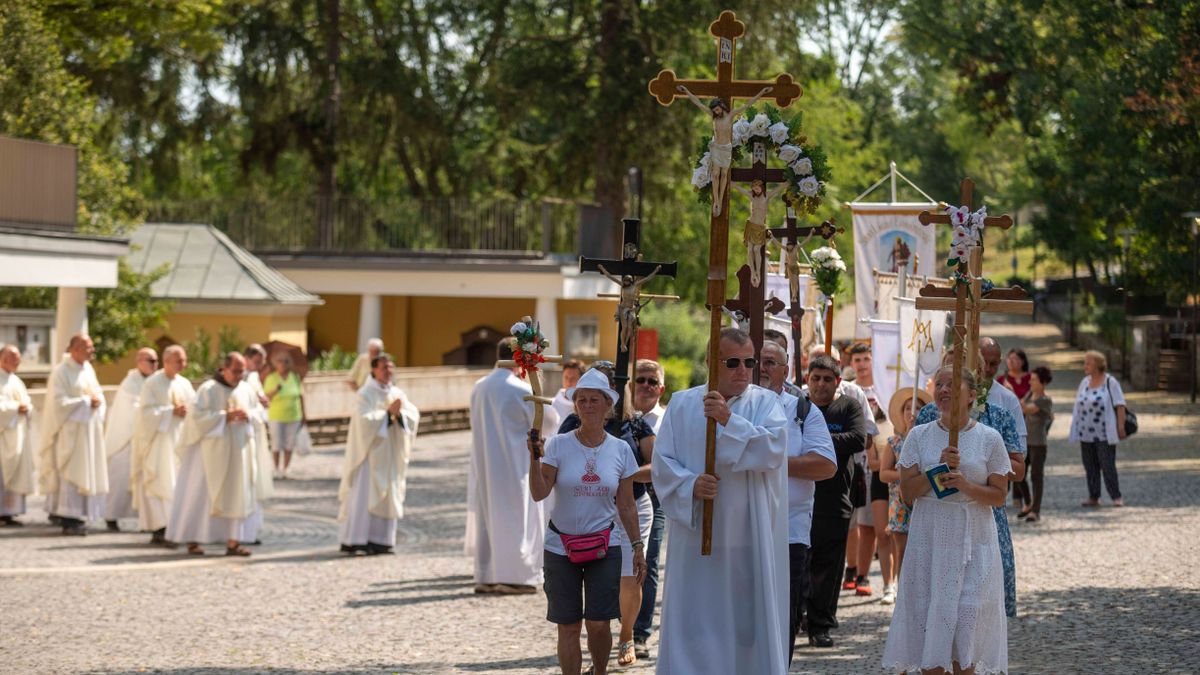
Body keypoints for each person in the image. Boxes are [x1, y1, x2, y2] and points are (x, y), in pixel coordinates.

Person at [652, 327, 789, 673]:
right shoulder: (682, 404)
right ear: (711, 361)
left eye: (749, 362)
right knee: (695, 616)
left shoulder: (766, 403)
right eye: (732, 362)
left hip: (746, 535)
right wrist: (690, 485)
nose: (743, 370)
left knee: (744, 620)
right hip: (698, 536)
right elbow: (662, 464)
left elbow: (772, 451)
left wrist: (729, 421)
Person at [882, 366, 1010, 675]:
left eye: (952, 385)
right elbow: (908, 494)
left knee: (967, 624)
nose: (944, 390)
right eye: (939, 384)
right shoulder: (919, 436)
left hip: (973, 538)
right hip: (930, 538)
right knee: (931, 621)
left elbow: (999, 495)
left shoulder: (989, 439)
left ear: (970, 395)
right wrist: (935, 470)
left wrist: (965, 484)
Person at [529, 368, 646, 675]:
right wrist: (534, 459)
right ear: (575, 405)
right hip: (560, 547)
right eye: (582, 400)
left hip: (603, 546)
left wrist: (637, 546)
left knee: (598, 623)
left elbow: (627, 505)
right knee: (568, 626)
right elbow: (540, 493)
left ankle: (599, 671)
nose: (589, 405)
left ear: (608, 405)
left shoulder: (620, 450)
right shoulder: (558, 445)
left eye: (595, 399)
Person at [556, 361, 655, 667]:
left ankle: (626, 635)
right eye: (584, 396)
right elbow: (555, 464)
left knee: (629, 577)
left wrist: (619, 474)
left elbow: (655, 468)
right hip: (590, 511)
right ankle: (597, 640)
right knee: (593, 582)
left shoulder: (636, 425)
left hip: (632, 505)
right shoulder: (572, 425)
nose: (590, 402)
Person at [914, 350, 1025, 618]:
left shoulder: (998, 415)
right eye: (945, 376)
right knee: (935, 596)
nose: (948, 387)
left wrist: (980, 469)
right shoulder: (928, 415)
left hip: (982, 513)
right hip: (937, 512)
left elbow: (1018, 470)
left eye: (961, 374)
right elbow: (913, 470)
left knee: (978, 599)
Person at [465, 338, 559, 594]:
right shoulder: (520, 389)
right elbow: (550, 422)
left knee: (489, 517)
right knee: (517, 516)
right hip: (515, 462)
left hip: (485, 462)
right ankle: (516, 575)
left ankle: (487, 574)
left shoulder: (479, 386)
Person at [166, 352, 271, 556]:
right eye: (236, 371)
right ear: (224, 368)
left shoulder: (247, 389)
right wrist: (225, 417)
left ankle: (233, 542)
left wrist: (249, 415)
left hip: (239, 453)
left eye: (242, 371)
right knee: (201, 496)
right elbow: (196, 418)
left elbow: (259, 413)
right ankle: (193, 539)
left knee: (237, 494)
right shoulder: (208, 390)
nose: (240, 375)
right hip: (209, 455)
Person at [772, 350, 837, 663]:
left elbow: (825, 464)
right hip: (738, 531)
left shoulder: (801, 409)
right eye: (755, 360)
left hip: (789, 530)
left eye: (771, 362)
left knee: (785, 611)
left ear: (785, 369)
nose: (761, 368)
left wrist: (771, 463)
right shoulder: (728, 406)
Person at [804, 355, 868, 649]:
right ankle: (795, 618)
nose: (820, 384)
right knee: (800, 562)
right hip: (799, 497)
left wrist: (814, 441)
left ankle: (820, 623)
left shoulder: (849, 406)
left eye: (827, 379)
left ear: (837, 382)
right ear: (807, 379)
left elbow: (857, 438)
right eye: (816, 378)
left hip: (836, 498)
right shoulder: (798, 406)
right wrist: (828, 440)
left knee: (830, 566)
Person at [338, 355, 420, 555]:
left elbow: (413, 416)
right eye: (384, 368)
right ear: (373, 370)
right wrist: (387, 416)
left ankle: (382, 540)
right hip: (370, 456)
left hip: (390, 454)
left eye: (391, 368)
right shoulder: (365, 393)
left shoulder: (398, 393)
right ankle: (357, 539)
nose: (388, 371)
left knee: (388, 495)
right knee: (364, 496)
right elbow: (362, 421)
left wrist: (399, 415)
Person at [40, 334, 108, 536]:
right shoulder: (61, 372)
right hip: (69, 433)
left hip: (86, 431)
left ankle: (78, 515)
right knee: (69, 473)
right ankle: (68, 519)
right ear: (75, 349)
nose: (92, 351)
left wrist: (96, 402)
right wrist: (87, 402)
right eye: (88, 347)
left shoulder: (88, 370)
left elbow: (98, 394)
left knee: (83, 471)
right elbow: (58, 403)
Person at [132, 345, 195, 545]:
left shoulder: (184, 384)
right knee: (161, 481)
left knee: (178, 483)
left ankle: (177, 525)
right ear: (167, 361)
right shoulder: (152, 383)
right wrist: (170, 412)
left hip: (179, 440)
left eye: (184, 360)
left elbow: (195, 407)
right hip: (159, 443)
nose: (183, 364)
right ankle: (161, 527)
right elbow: (145, 413)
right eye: (179, 360)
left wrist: (188, 412)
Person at [677, 84, 773, 216]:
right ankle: (716, 201)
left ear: (721, 107)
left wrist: (762, 92)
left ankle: (720, 200)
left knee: (724, 175)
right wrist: (686, 91)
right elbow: (698, 103)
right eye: (714, 111)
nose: (716, 112)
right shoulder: (713, 117)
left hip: (726, 149)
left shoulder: (730, 115)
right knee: (715, 174)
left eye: (717, 109)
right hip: (716, 148)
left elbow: (747, 104)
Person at [630, 358, 667, 659]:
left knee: (648, 561)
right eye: (640, 380)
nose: (645, 386)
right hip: (616, 498)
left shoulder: (668, 420)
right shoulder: (615, 417)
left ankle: (640, 632)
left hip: (655, 496)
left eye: (651, 381)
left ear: (661, 388)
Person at [845, 341, 888, 597]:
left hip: (877, 463)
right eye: (857, 360)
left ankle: (863, 574)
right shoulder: (849, 390)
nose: (861, 365)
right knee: (852, 522)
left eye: (865, 359)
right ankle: (850, 568)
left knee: (869, 523)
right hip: (853, 460)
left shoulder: (883, 390)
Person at [103, 347, 157, 531]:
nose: (154, 365)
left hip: (146, 438)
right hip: (126, 440)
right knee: (120, 479)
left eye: (156, 361)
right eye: (150, 361)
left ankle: (146, 519)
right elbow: (133, 409)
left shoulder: (155, 382)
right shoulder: (130, 383)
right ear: (139, 362)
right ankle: (111, 515)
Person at [1068, 350, 1127, 507]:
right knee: (1090, 465)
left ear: (1098, 364)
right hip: (1085, 432)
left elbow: (1120, 405)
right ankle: (1094, 496)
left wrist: (1120, 426)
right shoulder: (1085, 382)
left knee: (1107, 464)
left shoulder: (1110, 382)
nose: (1085, 365)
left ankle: (1116, 496)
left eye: (1088, 362)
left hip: (1104, 433)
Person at [0, 345, 35, 526]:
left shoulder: (16, 381)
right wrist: (15, 408)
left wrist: (26, 408)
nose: (17, 360)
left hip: (17, 434)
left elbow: (27, 402)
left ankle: (9, 512)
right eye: (13, 356)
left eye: (18, 357)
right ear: (3, 359)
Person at [732, 179, 787, 286]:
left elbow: (777, 190)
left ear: (762, 187)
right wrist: (734, 185)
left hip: (760, 227)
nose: (756, 191)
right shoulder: (751, 196)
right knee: (750, 250)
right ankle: (753, 273)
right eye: (754, 189)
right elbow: (741, 190)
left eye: (758, 188)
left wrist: (784, 185)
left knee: (757, 249)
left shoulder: (766, 196)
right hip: (751, 225)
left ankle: (758, 272)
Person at [1019, 366, 1054, 522]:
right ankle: (1027, 503)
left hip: (1038, 443)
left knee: (1036, 476)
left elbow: (1026, 409)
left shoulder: (1045, 400)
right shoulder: (1029, 395)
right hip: (1024, 442)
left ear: (1042, 382)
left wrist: (1010, 393)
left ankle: (1035, 510)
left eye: (1033, 379)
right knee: (1018, 474)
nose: (1030, 382)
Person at [264, 354, 305, 479]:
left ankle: (286, 468)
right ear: (275, 364)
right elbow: (266, 397)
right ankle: (276, 468)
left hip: (294, 415)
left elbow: (301, 396)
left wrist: (304, 415)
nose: (283, 364)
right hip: (276, 415)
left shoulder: (295, 377)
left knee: (289, 443)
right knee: (276, 443)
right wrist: (276, 390)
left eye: (286, 361)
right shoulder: (271, 378)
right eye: (280, 361)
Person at [551, 359, 585, 426]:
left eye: (573, 378)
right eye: (566, 377)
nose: (569, 382)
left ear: (581, 380)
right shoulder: (551, 404)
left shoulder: (587, 405)